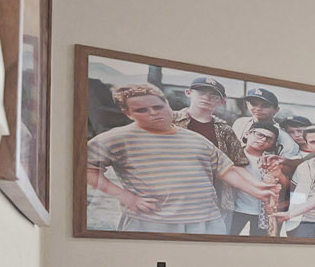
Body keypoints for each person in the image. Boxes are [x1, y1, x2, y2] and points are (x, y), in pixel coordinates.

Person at [86, 83, 278, 234]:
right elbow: (86, 168)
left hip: (206, 221)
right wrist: (126, 197)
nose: (153, 113)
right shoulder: (116, 139)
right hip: (152, 221)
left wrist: (258, 190)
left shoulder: (195, 138)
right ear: (128, 113)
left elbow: (226, 169)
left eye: (158, 106)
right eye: (141, 110)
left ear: (167, 104)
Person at [174, 76, 246, 230]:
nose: (206, 98)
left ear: (222, 101)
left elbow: (238, 164)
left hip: (216, 199)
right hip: (175, 197)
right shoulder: (170, 121)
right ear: (188, 93)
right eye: (201, 92)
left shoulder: (225, 130)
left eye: (214, 95)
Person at [280, 125, 315, 238]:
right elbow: (295, 194)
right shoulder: (303, 166)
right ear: (307, 145)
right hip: (303, 222)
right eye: (313, 142)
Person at [228, 122, 282, 237]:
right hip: (234, 209)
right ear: (247, 134)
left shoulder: (271, 161)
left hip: (261, 213)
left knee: (259, 243)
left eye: (269, 139)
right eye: (259, 135)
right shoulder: (231, 155)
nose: (263, 140)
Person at [233, 87, 301, 158]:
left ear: (276, 110)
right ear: (247, 104)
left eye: (265, 106)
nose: (258, 108)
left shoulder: (284, 137)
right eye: (254, 104)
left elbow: (289, 161)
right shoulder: (240, 123)